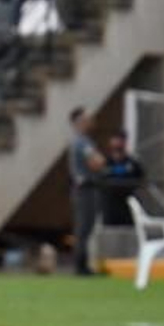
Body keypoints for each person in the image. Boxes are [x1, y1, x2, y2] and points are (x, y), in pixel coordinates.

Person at [68, 107, 105, 276]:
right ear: (79, 122)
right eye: (86, 119)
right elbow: (96, 162)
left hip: (85, 189)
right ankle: (81, 267)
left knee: (85, 229)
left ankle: (82, 265)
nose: (90, 121)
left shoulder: (81, 141)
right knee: (84, 228)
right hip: (86, 189)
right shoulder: (82, 142)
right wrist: (100, 161)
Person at [98, 131, 145, 227]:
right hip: (110, 205)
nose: (118, 144)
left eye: (120, 141)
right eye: (115, 141)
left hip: (127, 204)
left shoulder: (132, 162)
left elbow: (141, 178)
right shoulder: (106, 162)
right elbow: (100, 178)